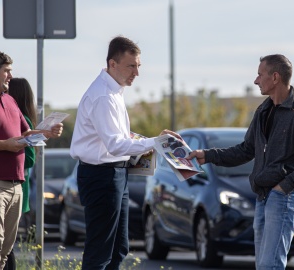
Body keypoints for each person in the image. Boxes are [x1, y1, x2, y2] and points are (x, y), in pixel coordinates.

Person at [188, 54, 294, 270]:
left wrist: (285, 187)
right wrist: (207, 155)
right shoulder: (263, 110)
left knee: (269, 265)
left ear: (275, 77)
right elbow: (245, 150)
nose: (255, 81)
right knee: (264, 265)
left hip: (285, 198)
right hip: (263, 196)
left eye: (259, 75)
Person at [70, 35, 181, 270]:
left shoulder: (114, 91)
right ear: (113, 63)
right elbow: (116, 145)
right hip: (101, 176)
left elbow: (120, 138)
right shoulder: (103, 96)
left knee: (118, 248)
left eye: (138, 66)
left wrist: (152, 140)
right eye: (131, 66)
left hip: (115, 175)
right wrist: (156, 142)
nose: (137, 73)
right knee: (100, 252)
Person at [0, 48, 63, 270]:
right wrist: (4, 145)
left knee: (6, 251)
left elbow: (27, 135)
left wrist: (47, 132)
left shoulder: (9, 100)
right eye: (6, 71)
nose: (10, 75)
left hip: (16, 185)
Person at [3, 78, 38, 270]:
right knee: (5, 244)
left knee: (6, 245)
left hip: (17, 186)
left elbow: (30, 158)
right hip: (15, 187)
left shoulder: (22, 118)